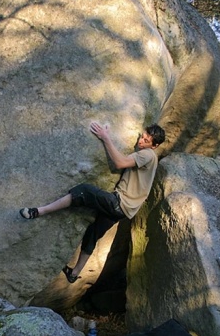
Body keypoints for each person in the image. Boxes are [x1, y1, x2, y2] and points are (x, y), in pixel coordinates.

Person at [20, 121, 165, 283]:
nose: (141, 141)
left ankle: (39, 211)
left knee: (84, 191)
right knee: (92, 234)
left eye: (146, 140)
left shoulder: (147, 155)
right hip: (124, 210)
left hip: (119, 202)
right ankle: (74, 273)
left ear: (154, 145)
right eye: (143, 136)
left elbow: (120, 163)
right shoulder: (151, 157)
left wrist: (105, 137)